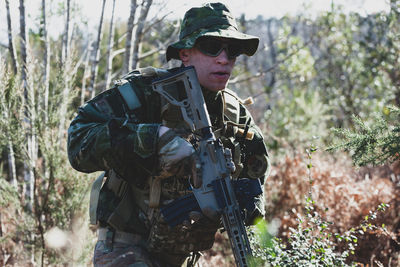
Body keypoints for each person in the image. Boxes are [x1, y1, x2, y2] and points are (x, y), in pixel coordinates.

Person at [67, 2, 270, 266]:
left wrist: (245, 200)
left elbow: (256, 175)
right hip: (126, 246)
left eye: (232, 51)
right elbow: (78, 139)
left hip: (184, 255)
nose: (223, 59)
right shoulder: (143, 93)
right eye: (211, 47)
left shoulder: (233, 113)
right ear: (185, 53)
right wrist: (153, 140)